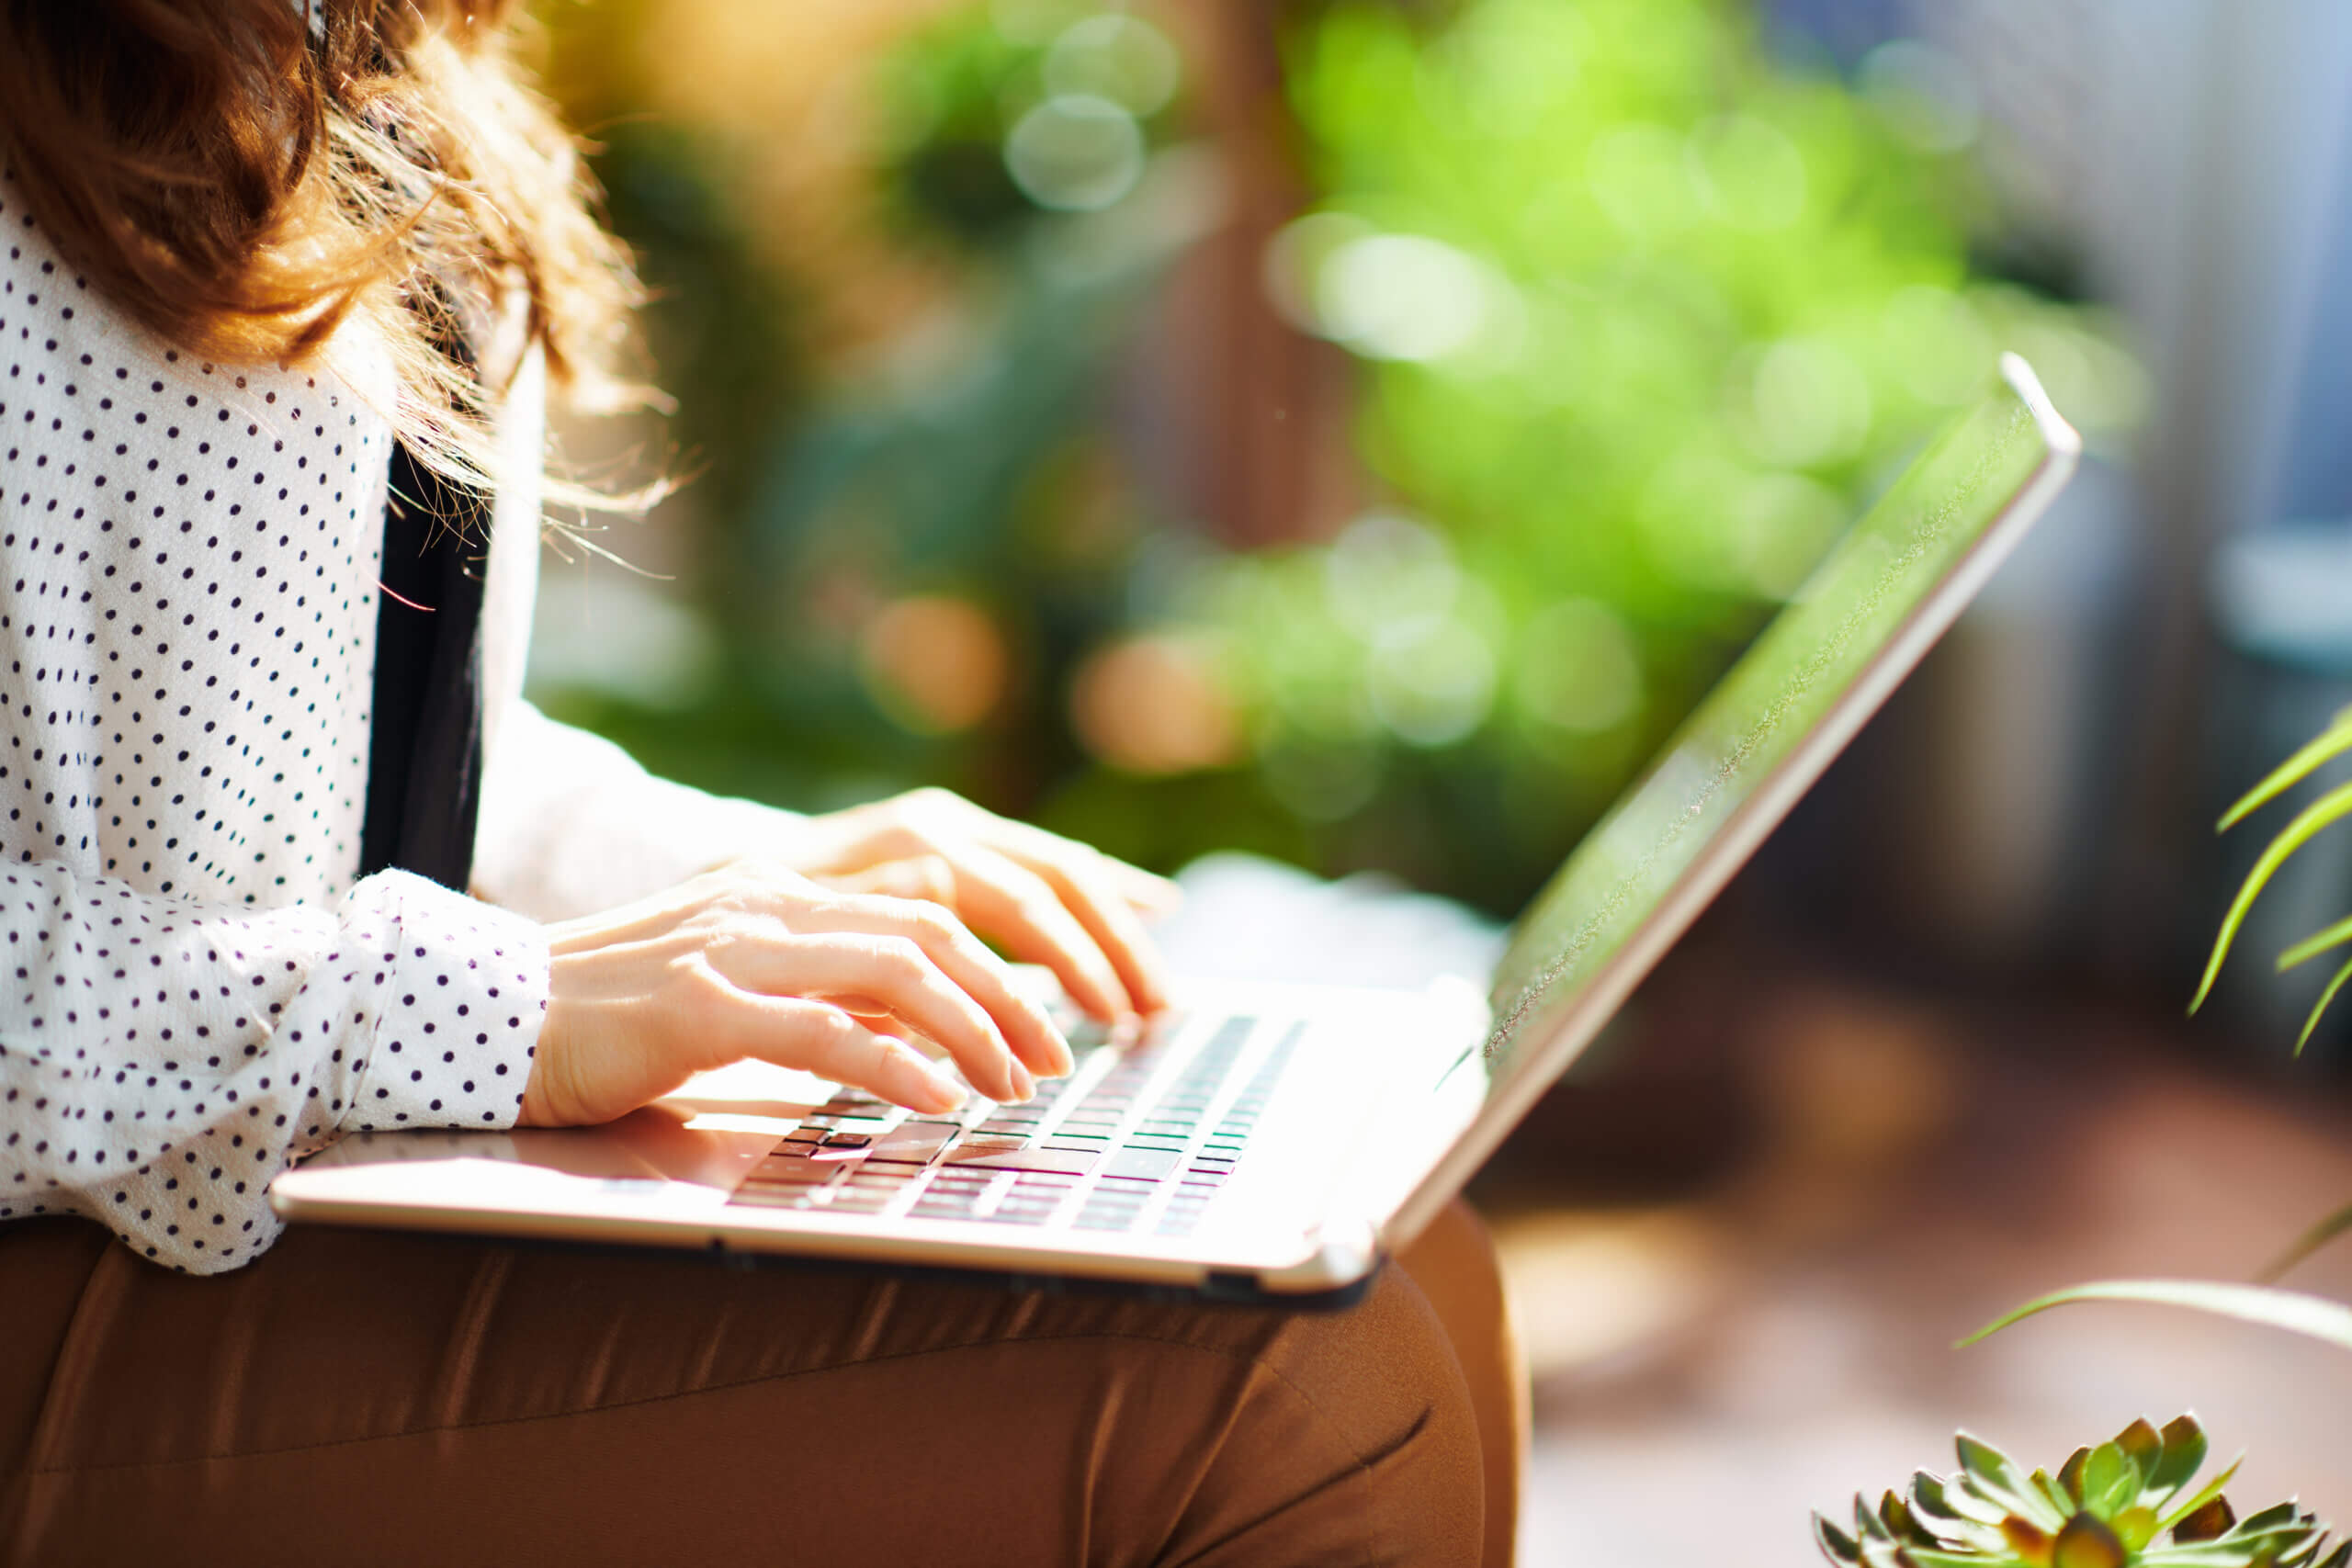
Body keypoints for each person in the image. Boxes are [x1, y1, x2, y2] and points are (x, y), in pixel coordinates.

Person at [0, 3, 1526, 1562]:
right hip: (79, 1232)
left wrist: (751, 893)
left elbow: (313, 780)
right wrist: (490, 1020)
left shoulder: (377, 42)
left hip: (271, 1166)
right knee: (1302, 1397)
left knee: (1405, 1259)